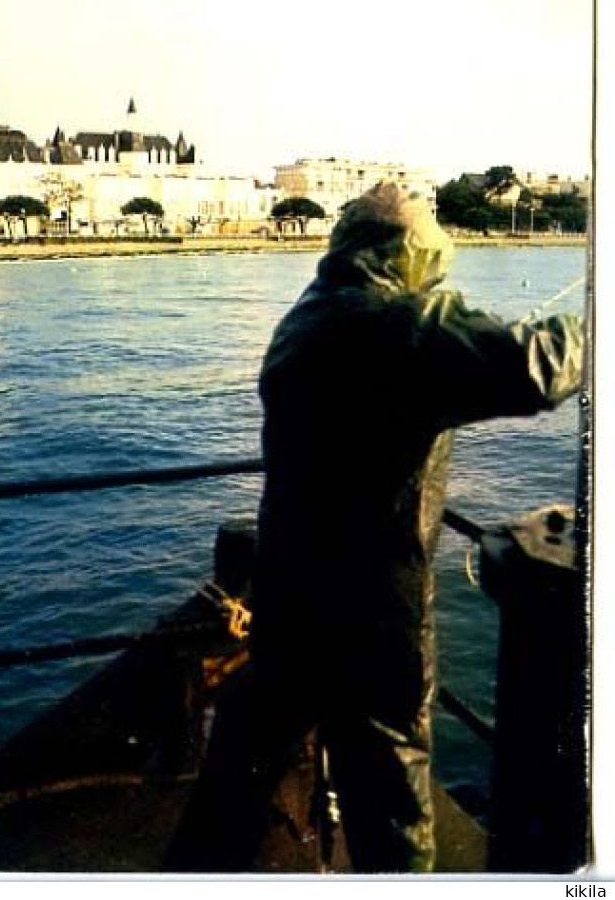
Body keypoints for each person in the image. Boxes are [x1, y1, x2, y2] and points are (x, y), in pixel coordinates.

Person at [163, 182, 584, 874]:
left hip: (292, 593)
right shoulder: (398, 325)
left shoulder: (310, 314)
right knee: (393, 803)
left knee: (243, 763)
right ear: (406, 252)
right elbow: (536, 366)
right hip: (373, 618)